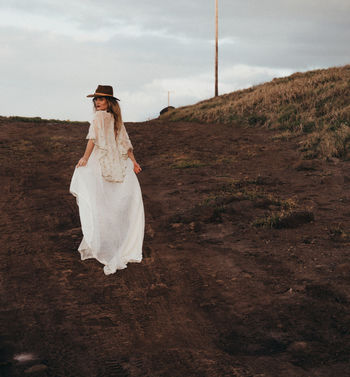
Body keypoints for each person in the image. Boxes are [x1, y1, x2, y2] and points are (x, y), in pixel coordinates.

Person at [69, 85, 145, 275]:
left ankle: (104, 241)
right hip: (117, 162)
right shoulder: (114, 118)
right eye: (96, 99)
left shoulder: (106, 118)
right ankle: (117, 242)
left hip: (104, 160)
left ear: (109, 102)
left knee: (101, 201)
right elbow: (122, 144)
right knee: (115, 202)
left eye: (101, 99)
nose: (97, 102)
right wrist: (133, 162)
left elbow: (96, 140)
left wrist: (86, 158)